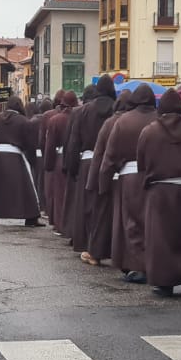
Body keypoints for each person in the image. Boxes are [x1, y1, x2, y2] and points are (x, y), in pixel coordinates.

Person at [138, 88, 181, 296]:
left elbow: (142, 162)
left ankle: (164, 280)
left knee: (161, 238)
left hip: (160, 191)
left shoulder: (149, 132)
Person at [97, 84, 158, 282]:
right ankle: (153, 264)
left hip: (129, 177)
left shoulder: (123, 121)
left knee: (131, 223)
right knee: (152, 223)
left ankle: (136, 265)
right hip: (155, 178)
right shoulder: (160, 119)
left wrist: (103, 182)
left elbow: (110, 155)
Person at [67, 81, 115, 263]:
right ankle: (109, 247)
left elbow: (74, 142)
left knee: (87, 207)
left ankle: (89, 245)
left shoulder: (83, 111)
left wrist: (72, 168)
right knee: (108, 208)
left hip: (87, 163)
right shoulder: (117, 110)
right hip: (112, 164)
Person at [86, 88, 132, 268]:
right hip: (133, 178)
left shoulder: (111, 123)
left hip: (110, 175)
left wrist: (97, 181)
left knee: (103, 217)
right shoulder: (143, 122)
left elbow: (101, 154)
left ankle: (96, 253)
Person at [0, 96, 42, 226]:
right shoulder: (23, 121)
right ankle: (31, 217)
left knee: (0, 187)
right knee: (25, 187)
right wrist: (32, 161)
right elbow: (29, 143)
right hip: (15, 155)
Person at [42, 91, 76, 231]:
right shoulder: (78, 116)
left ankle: (60, 225)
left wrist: (48, 164)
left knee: (59, 193)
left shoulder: (54, 120)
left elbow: (49, 145)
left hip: (60, 157)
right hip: (76, 157)